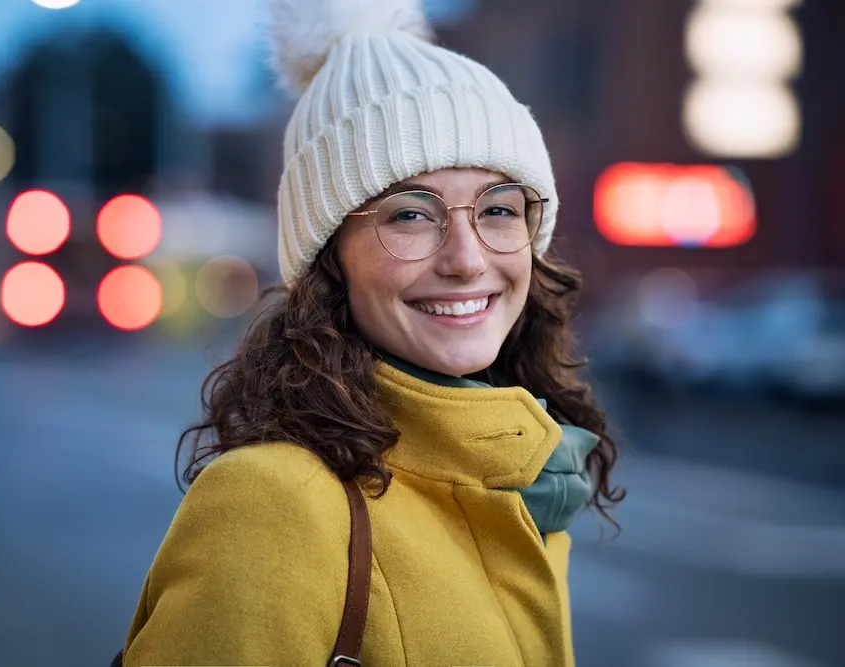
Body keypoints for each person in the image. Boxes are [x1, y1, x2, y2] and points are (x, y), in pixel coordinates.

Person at [119, 0, 623, 664]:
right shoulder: (274, 504)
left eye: (499, 208)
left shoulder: (528, 488)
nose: (467, 258)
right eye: (411, 215)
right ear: (330, 258)